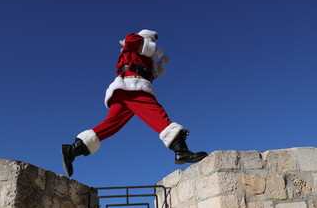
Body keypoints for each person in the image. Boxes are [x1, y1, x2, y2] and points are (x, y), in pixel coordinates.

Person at [61, 29, 207, 177]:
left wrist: (160, 63)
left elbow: (149, 74)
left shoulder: (143, 56)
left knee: (110, 125)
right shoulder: (134, 41)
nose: (154, 43)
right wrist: (153, 48)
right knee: (157, 113)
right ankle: (180, 150)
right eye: (152, 41)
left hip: (128, 89)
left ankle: (73, 149)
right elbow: (130, 39)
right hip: (132, 87)